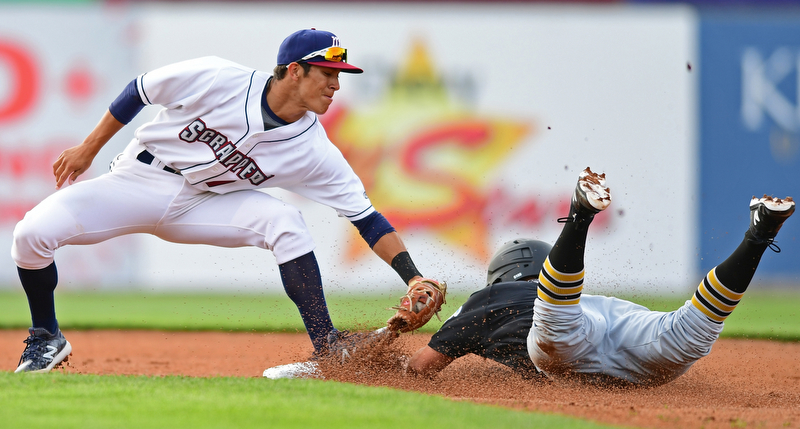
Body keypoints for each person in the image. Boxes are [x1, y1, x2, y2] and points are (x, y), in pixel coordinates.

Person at [12, 29, 438, 373]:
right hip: (139, 179)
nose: (335, 84)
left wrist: (412, 277)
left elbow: (367, 219)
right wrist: (89, 147)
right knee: (31, 235)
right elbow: (140, 89)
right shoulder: (220, 78)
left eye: (339, 74)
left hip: (205, 204)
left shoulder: (315, 150)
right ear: (294, 71)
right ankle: (47, 337)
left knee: (286, 222)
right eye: (326, 72)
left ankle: (327, 348)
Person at [264, 167, 795, 387]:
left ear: (500, 274)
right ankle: (757, 237)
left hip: (571, 337)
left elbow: (419, 371)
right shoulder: (529, 295)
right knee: (690, 328)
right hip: (616, 320)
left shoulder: (482, 303)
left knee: (557, 319)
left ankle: (580, 217)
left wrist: (398, 332)